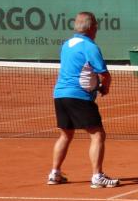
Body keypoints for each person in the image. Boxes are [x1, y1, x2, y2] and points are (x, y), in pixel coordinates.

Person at [48, 11, 120, 188]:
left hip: (60, 95)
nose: (97, 28)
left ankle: (54, 174)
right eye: (95, 25)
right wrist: (105, 87)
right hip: (78, 96)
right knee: (97, 134)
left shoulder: (66, 45)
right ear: (91, 27)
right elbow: (104, 74)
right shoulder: (90, 47)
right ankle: (97, 176)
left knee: (65, 134)